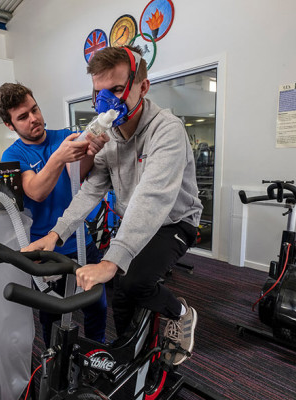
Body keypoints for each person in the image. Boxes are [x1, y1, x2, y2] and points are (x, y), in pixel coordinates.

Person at [24, 46, 203, 365]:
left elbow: (152, 197)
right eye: (99, 93)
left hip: (174, 222)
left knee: (134, 280)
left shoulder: (167, 129)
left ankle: (182, 313)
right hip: (135, 220)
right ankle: (130, 353)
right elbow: (90, 189)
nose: (106, 102)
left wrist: (110, 262)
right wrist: (56, 234)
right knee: (120, 289)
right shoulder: (110, 138)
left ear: (142, 87)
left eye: (117, 90)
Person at [0, 83, 109, 347]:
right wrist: (58, 158)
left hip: (81, 241)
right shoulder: (13, 155)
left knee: (97, 307)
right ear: (9, 125)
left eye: (34, 109)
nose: (33, 118)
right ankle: (55, 364)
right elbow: (36, 192)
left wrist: (95, 147)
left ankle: (98, 353)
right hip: (45, 252)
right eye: (23, 117)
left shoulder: (65, 136)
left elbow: (78, 178)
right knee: (53, 316)